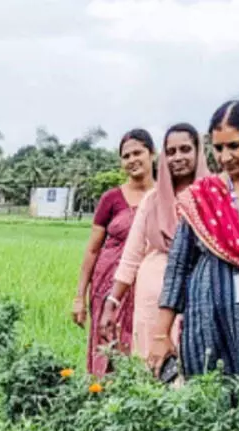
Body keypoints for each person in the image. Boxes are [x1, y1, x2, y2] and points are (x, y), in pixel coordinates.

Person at [149, 101, 239, 411]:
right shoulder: (202, 196)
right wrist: (160, 334)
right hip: (207, 321)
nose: (224, 157)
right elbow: (178, 267)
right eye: (218, 148)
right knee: (211, 407)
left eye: (234, 146)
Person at [101, 124, 211, 364]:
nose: (178, 157)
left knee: (198, 368)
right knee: (153, 368)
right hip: (152, 300)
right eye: (171, 152)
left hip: (200, 296)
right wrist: (112, 302)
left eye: (185, 149)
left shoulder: (214, 197)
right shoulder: (152, 200)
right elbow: (131, 256)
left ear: (199, 151)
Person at [73, 129, 156, 376]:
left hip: (147, 287)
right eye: (126, 156)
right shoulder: (111, 199)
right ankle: (102, 395)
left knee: (143, 346)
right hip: (107, 288)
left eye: (137, 153)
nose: (132, 160)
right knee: (106, 347)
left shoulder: (164, 196)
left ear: (152, 154)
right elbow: (92, 250)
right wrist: (79, 297)